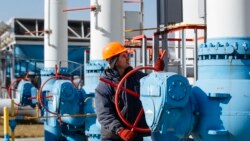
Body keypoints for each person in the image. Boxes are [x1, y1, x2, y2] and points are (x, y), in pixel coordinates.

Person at [95, 42, 164, 141]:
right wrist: (120, 130)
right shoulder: (104, 86)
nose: (128, 58)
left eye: (127, 55)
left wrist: (158, 72)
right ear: (115, 61)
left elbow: (155, 83)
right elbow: (104, 115)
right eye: (123, 56)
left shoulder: (137, 77)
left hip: (134, 134)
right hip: (114, 137)